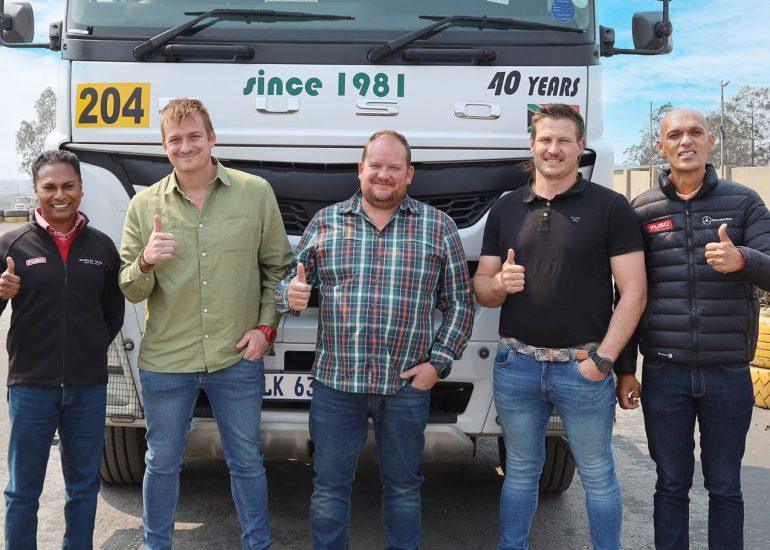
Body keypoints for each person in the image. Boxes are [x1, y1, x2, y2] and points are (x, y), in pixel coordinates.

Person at [275, 130, 474, 550]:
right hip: (336, 385)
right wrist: (288, 295)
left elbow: (460, 303)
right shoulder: (326, 222)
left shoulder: (438, 227)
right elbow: (288, 284)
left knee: (403, 486)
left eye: (394, 167)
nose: (384, 175)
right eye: (376, 166)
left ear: (409, 174)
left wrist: (438, 363)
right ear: (360, 170)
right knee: (329, 486)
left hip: (405, 385)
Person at [119, 98, 291, 550]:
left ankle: (257, 545)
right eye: (175, 139)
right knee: (161, 463)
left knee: (247, 462)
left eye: (194, 136)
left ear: (212, 138)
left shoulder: (255, 193)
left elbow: (278, 268)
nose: (186, 146)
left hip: (235, 357)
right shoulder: (143, 205)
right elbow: (130, 288)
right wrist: (145, 261)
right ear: (164, 146)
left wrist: (266, 328)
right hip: (166, 361)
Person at [473, 104, 647, 550]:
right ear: (532, 144)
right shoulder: (506, 208)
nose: (553, 149)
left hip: (582, 368)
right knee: (520, 471)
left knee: (597, 474)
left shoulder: (610, 207)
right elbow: (483, 288)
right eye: (545, 139)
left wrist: (603, 361)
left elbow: (633, 292)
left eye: (564, 140)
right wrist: (498, 284)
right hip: (517, 366)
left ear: (580, 146)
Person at [617, 108, 770, 550]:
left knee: (725, 487)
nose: (686, 141)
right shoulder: (643, 211)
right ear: (661, 146)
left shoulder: (744, 202)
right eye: (675, 135)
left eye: (695, 133)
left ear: (710, 142)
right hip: (664, 373)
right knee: (670, 485)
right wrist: (625, 369)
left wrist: (743, 260)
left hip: (728, 373)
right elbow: (626, 294)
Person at [1, 150, 125, 549]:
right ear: (36, 190)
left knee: (84, 488)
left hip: (88, 388)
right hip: (31, 387)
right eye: (49, 187)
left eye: (68, 185)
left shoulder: (102, 247)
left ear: (81, 189)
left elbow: (112, 314)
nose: (60, 195)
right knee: (23, 491)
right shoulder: (11, 244)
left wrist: (88, 351)